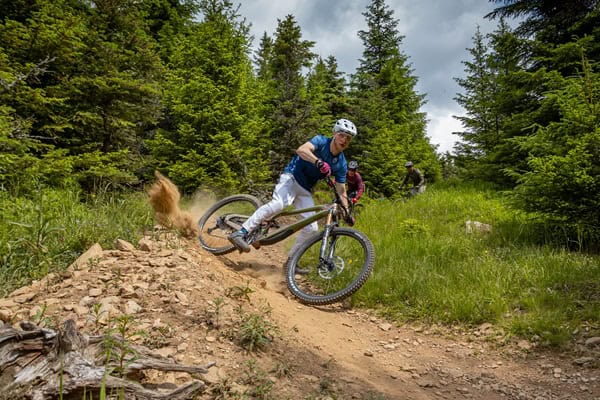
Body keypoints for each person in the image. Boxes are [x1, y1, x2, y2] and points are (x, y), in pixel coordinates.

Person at [228, 118, 357, 255]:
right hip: (291, 176)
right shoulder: (320, 141)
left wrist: (347, 212)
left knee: (311, 228)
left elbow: (341, 190)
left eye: (348, 138)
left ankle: (291, 261)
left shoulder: (341, 163)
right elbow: (302, 150)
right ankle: (241, 232)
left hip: (305, 189)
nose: (344, 140)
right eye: (341, 135)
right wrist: (318, 162)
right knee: (278, 204)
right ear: (334, 134)